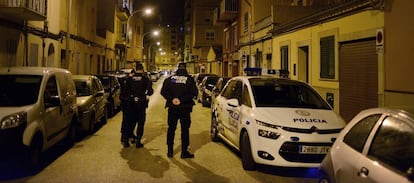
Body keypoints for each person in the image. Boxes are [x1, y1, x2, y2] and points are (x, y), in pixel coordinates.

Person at [161, 62, 198, 158]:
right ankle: (184, 152)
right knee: (185, 130)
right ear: (185, 68)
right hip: (185, 108)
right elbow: (194, 93)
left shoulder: (170, 79)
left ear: (177, 69)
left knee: (171, 129)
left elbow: (163, 92)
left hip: (172, 108)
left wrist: (172, 99)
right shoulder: (189, 80)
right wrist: (181, 100)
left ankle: (170, 151)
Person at [121, 63, 153, 148]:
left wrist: (130, 98)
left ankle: (126, 141)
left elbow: (124, 92)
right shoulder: (146, 80)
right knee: (140, 124)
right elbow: (150, 92)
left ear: (135, 69)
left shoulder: (129, 80)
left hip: (130, 105)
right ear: (142, 70)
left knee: (129, 122)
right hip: (141, 105)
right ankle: (138, 142)